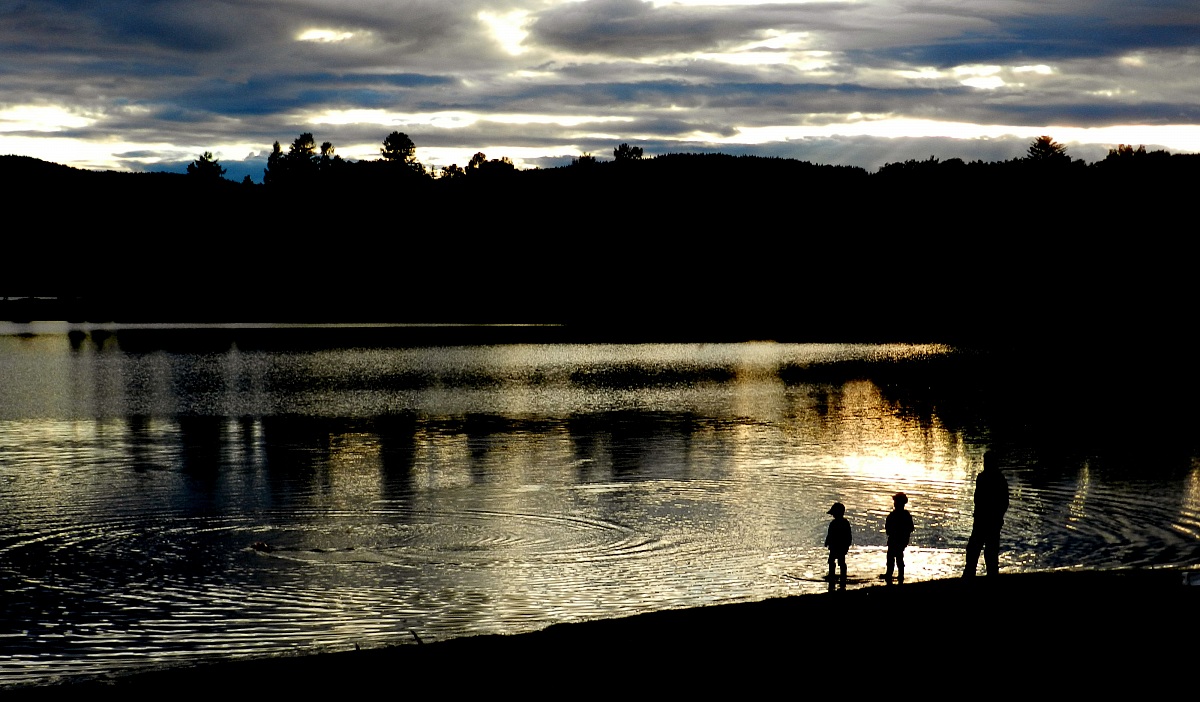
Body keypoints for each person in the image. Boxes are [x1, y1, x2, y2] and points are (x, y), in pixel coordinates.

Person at [963, 451, 1010, 577]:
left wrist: (997, 516)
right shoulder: (988, 478)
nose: (984, 464)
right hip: (985, 520)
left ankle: (974, 575)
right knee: (978, 550)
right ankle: (972, 575)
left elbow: (1002, 501)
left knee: (986, 551)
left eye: (986, 462)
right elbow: (979, 499)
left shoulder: (992, 479)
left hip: (987, 520)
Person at [884, 492, 914, 582]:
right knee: (897, 557)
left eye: (896, 502)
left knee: (893, 558)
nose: (895, 504)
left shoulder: (894, 515)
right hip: (901, 540)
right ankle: (897, 575)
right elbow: (911, 528)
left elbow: (888, 529)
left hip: (897, 540)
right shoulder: (905, 515)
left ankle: (892, 575)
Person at [825, 502, 852, 581]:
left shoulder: (834, 524)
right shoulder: (844, 523)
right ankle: (841, 576)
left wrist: (827, 542)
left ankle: (833, 575)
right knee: (838, 561)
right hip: (839, 546)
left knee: (835, 561)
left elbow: (830, 535)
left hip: (837, 546)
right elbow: (849, 536)